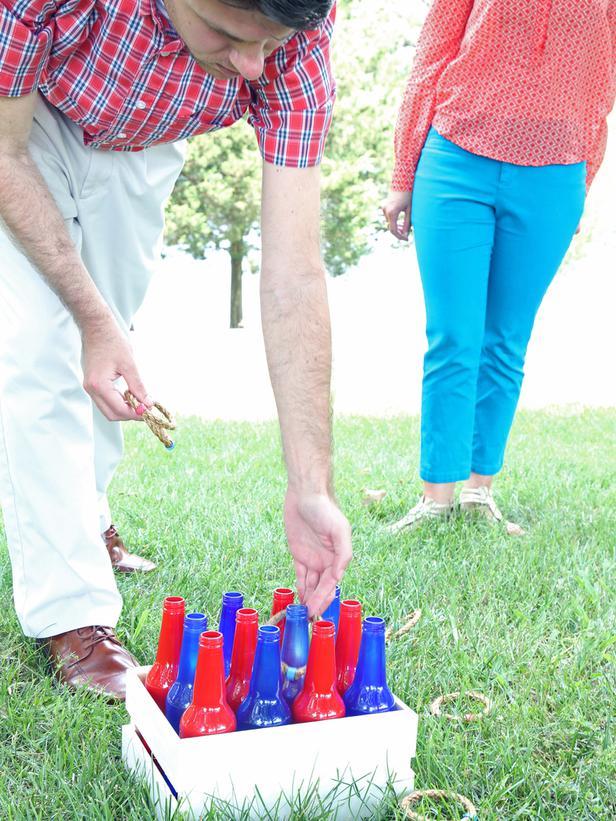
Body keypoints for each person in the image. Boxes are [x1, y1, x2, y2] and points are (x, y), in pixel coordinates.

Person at [0, 0, 351, 700]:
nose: (255, 65)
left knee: (109, 360)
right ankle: (74, 616)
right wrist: (90, 320)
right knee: (40, 346)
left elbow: (294, 272)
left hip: (146, 145)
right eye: (228, 35)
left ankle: (88, 514)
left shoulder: (300, 39)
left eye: (271, 44)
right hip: (27, 122)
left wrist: (310, 484)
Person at [382, 0, 616, 534]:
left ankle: (477, 494)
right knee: (453, 336)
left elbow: (605, 79)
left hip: (554, 175)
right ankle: (434, 499)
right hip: (456, 158)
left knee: (506, 340)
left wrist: (582, 179)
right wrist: (403, 173)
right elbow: (430, 59)